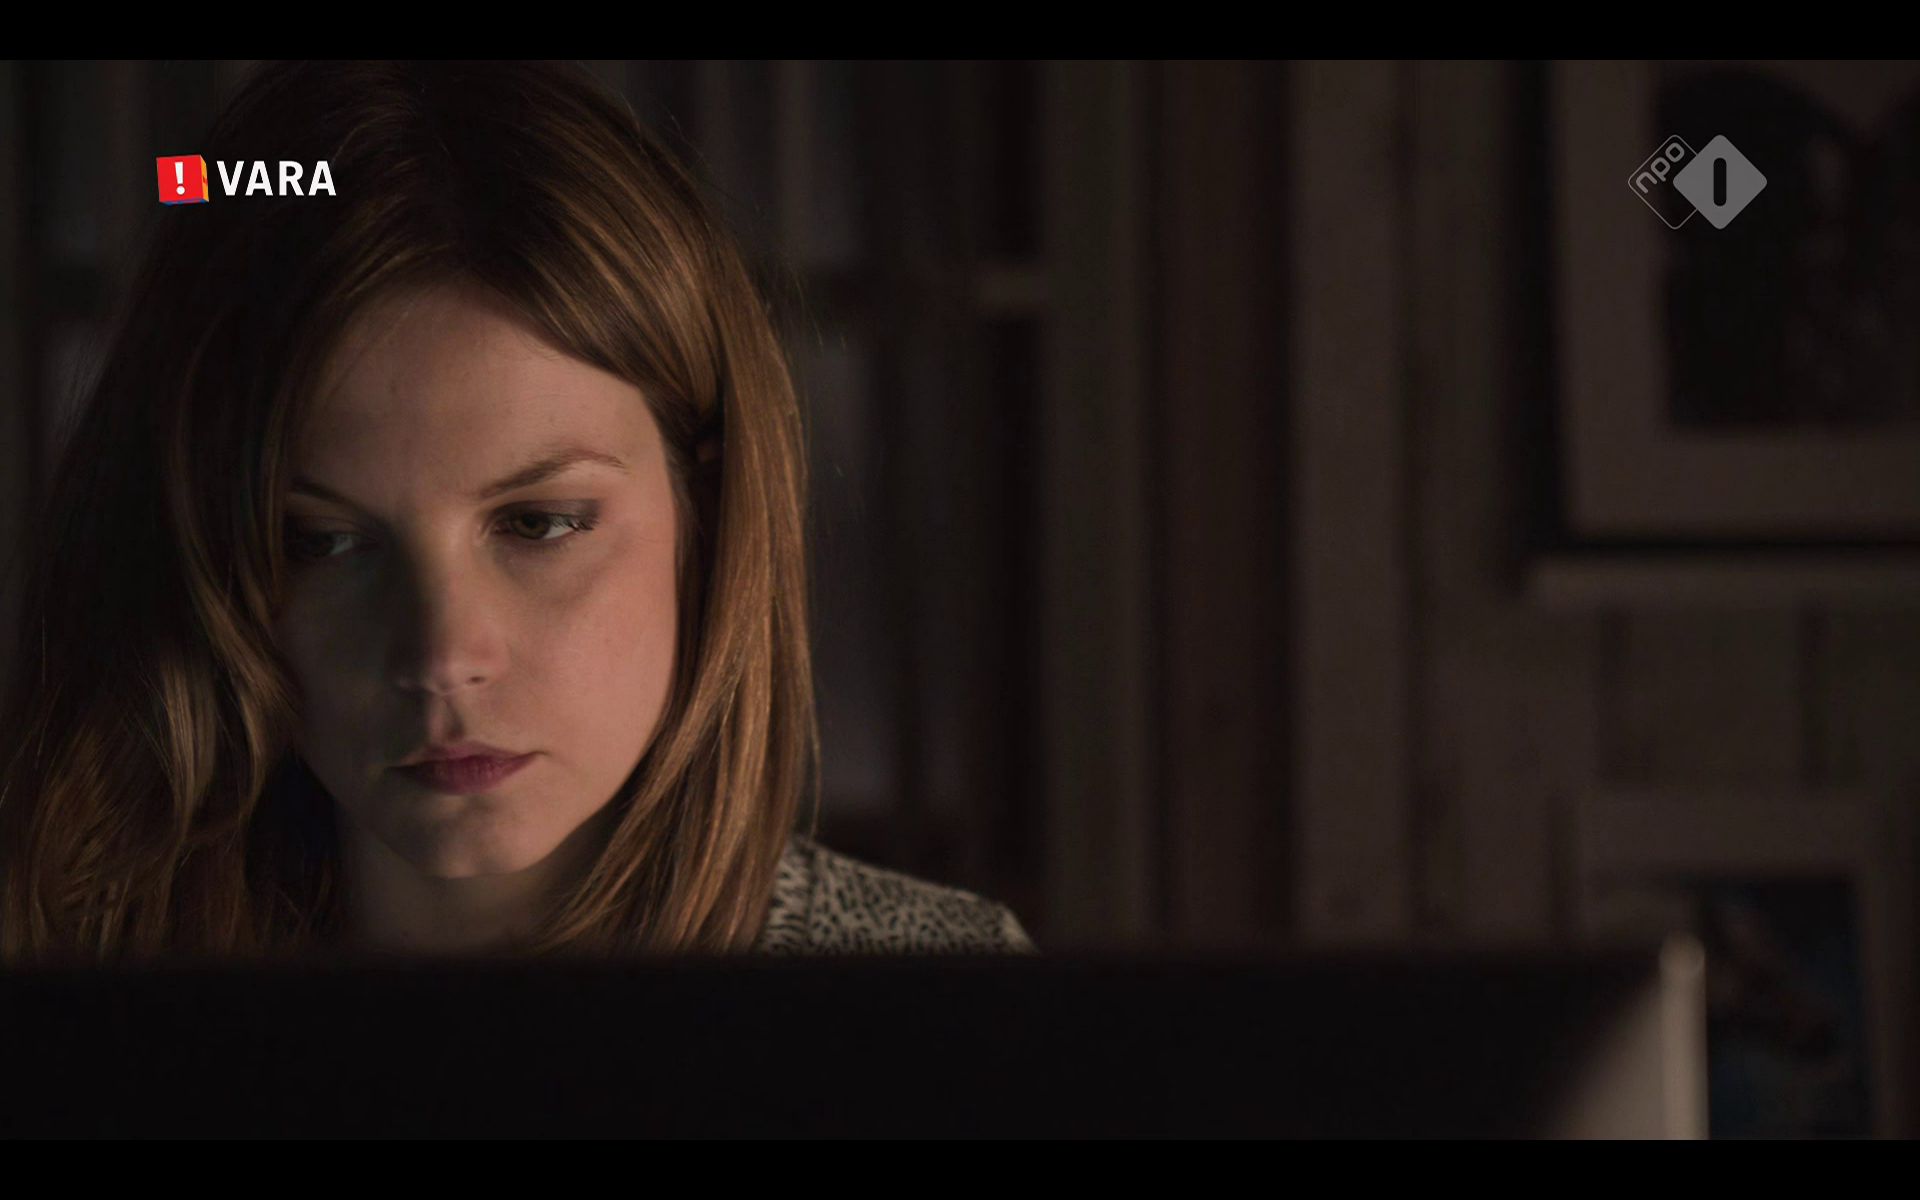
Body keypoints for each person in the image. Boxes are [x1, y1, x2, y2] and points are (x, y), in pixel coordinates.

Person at [0, 60, 1037, 964]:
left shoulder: (936, 1004)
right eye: (322, 540)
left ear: (707, 505)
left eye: (539, 523)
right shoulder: (68, 997)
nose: (444, 656)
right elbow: (187, 183)